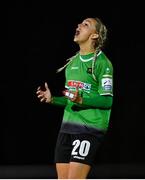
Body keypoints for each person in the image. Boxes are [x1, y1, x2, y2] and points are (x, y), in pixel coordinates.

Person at [36, 17, 113, 179]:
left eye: (86, 24)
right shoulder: (72, 63)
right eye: (80, 23)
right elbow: (72, 99)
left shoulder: (102, 63)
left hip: (89, 129)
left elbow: (107, 101)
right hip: (67, 128)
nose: (79, 25)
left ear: (94, 35)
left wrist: (81, 100)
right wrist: (53, 100)